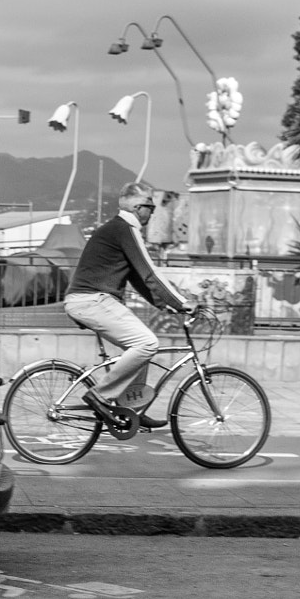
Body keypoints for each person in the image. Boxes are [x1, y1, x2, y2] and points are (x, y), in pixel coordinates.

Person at [62, 182, 193, 430]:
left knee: (141, 348)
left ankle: (130, 409)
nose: (152, 212)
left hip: (92, 300)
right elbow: (150, 271)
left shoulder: (118, 230)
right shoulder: (125, 229)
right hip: (92, 300)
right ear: (136, 206)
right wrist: (182, 302)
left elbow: (137, 277)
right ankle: (100, 396)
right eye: (149, 207)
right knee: (146, 343)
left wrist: (168, 307)